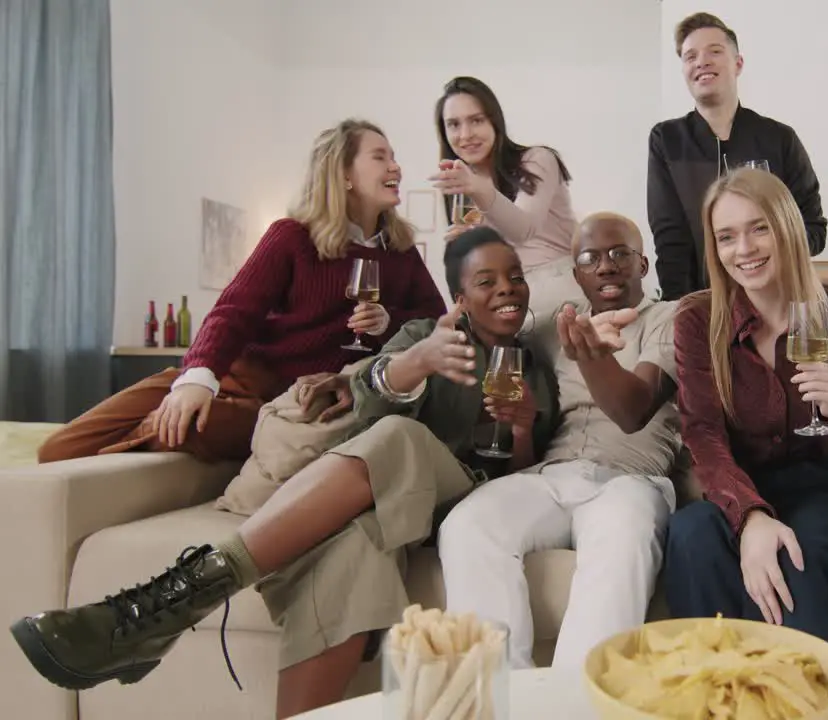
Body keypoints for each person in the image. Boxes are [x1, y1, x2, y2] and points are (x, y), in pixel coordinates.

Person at [10, 228, 558, 719]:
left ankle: (172, 601)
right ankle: (168, 619)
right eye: (486, 281)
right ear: (459, 299)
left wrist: (523, 428)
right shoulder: (422, 336)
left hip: (465, 502)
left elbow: (523, 484)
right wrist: (419, 361)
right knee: (351, 551)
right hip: (390, 501)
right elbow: (362, 406)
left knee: (402, 439)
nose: (507, 288)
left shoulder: (536, 366)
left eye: (514, 278)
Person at [38, 119, 446, 464]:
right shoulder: (291, 237)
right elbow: (234, 310)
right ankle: (167, 414)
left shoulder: (402, 254)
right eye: (381, 156)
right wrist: (197, 379)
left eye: (393, 157)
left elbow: (434, 322)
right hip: (237, 373)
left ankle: (153, 432)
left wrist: (390, 320)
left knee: (201, 426)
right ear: (343, 173)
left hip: (286, 403)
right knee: (59, 449)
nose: (396, 166)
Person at [438, 212, 680, 671]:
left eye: (619, 254)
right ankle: (500, 696)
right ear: (576, 275)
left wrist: (590, 355)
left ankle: (573, 701)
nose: (605, 266)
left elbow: (634, 410)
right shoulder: (553, 325)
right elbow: (488, 323)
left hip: (632, 479)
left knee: (622, 534)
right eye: (590, 258)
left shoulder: (672, 319)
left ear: (643, 266)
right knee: (467, 524)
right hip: (551, 474)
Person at [661, 168, 828, 652]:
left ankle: (800, 695)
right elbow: (703, 434)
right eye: (726, 237)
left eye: (759, 228)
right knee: (691, 534)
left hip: (825, 487)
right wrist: (751, 516)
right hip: (738, 482)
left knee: (799, 553)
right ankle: (710, 691)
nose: (745, 249)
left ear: (788, 228)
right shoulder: (698, 319)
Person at [647, 12, 827, 301]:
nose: (701, 61)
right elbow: (669, 240)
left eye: (714, 52)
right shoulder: (667, 140)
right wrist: (678, 309)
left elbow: (814, 230)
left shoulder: (779, 138)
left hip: (777, 303)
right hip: (701, 305)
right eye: (690, 56)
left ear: (738, 63)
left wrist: (761, 252)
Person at [429, 76, 584, 352]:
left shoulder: (537, 159)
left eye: (476, 120)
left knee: (572, 393)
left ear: (494, 121)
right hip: (501, 304)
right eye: (454, 124)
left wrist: (479, 189)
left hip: (556, 292)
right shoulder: (461, 186)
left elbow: (523, 230)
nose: (465, 135)